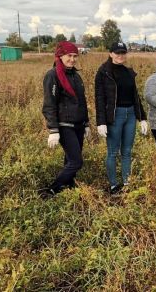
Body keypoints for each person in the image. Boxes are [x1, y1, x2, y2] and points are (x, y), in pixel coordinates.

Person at [95, 41, 148, 194]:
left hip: (130, 114)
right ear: (110, 53)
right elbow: (99, 98)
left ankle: (127, 183)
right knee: (112, 151)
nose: (120, 56)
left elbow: (135, 97)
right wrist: (101, 122)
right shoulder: (103, 72)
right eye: (117, 53)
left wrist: (142, 118)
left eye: (123, 53)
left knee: (127, 151)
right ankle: (113, 185)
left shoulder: (128, 72)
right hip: (114, 115)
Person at [41, 41, 90, 197]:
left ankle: (68, 186)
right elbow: (49, 104)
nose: (72, 59)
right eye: (69, 56)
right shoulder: (53, 75)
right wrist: (53, 130)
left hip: (78, 124)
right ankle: (52, 189)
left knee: (70, 160)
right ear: (60, 56)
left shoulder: (75, 75)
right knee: (76, 162)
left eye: (75, 56)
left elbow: (82, 101)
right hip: (64, 124)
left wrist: (86, 123)